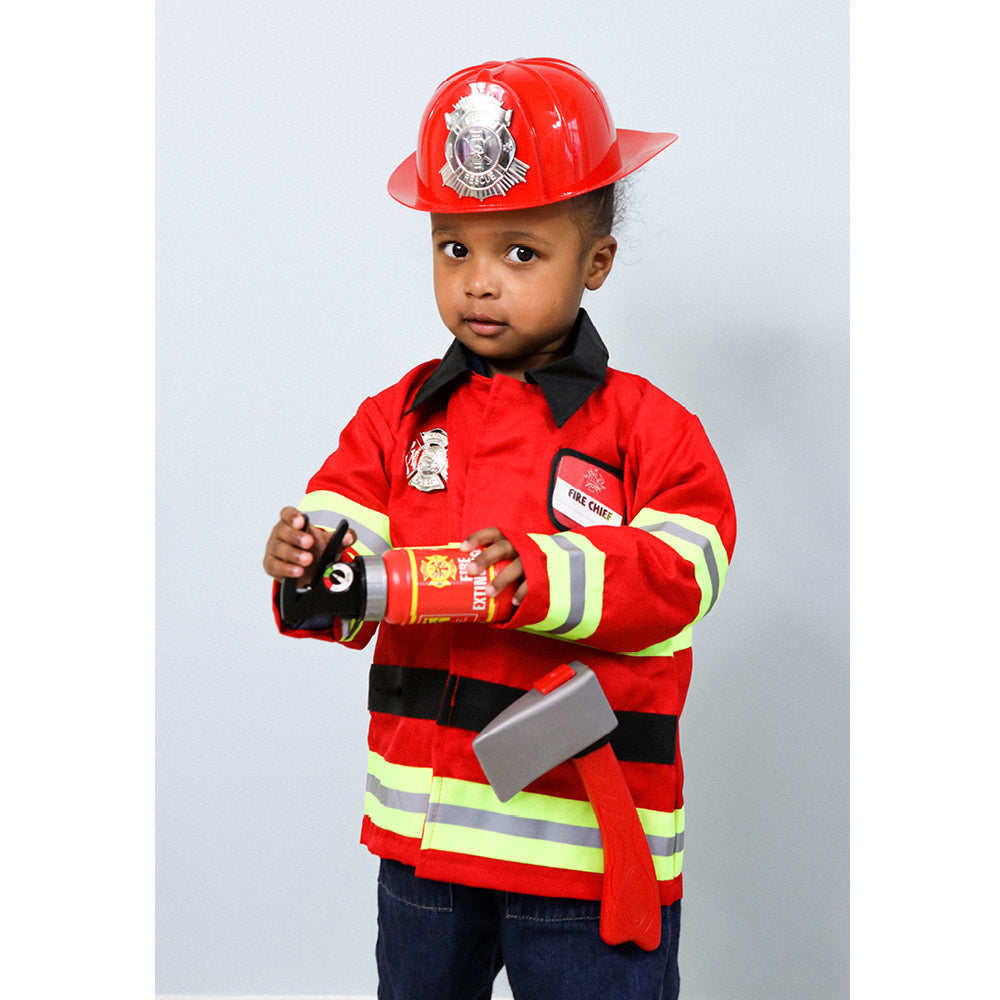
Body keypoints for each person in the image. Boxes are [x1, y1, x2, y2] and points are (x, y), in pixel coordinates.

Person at [263, 57, 736, 1000]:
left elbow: (687, 572)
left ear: (595, 263)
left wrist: (542, 574)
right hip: (424, 848)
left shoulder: (652, 429)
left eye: (521, 253)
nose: (480, 283)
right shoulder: (397, 419)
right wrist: (310, 558)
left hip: (584, 854)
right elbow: (347, 541)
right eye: (454, 248)